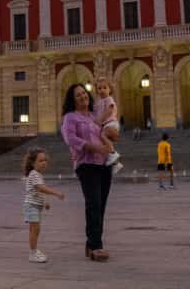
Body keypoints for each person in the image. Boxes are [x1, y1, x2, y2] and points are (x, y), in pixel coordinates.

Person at [61, 82, 113, 262]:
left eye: (84, 93)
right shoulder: (70, 118)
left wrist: (109, 141)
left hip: (104, 164)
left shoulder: (94, 116)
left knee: (101, 205)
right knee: (93, 203)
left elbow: (106, 131)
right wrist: (92, 147)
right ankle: (95, 246)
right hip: (86, 164)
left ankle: (92, 243)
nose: (83, 96)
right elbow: (70, 139)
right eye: (78, 95)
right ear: (72, 100)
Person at [22, 147, 64, 264]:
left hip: (35, 206)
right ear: (32, 162)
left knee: (34, 230)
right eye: (40, 160)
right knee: (35, 229)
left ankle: (34, 251)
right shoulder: (34, 174)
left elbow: (40, 190)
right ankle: (33, 253)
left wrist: (45, 201)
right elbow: (41, 188)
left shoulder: (38, 175)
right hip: (31, 206)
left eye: (45, 160)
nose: (44, 163)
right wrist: (56, 193)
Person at [94, 78, 122, 173]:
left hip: (111, 123)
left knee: (103, 136)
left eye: (105, 88)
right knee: (106, 142)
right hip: (105, 125)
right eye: (99, 88)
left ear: (110, 90)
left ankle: (113, 154)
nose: (102, 90)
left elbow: (109, 110)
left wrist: (100, 120)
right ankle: (116, 163)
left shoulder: (109, 99)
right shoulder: (98, 102)